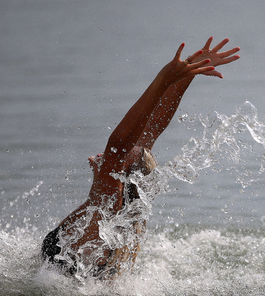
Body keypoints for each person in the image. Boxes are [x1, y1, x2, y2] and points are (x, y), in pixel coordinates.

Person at [41, 37, 240, 278]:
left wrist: (164, 78)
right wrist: (188, 72)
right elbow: (152, 125)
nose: (107, 155)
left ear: (121, 176)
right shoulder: (121, 220)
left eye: (121, 157)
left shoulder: (104, 205)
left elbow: (118, 144)